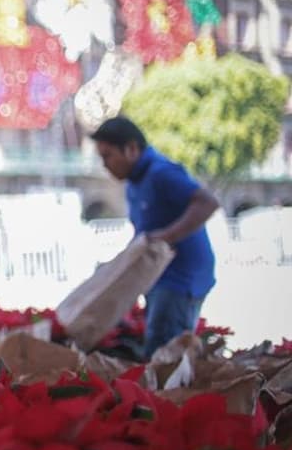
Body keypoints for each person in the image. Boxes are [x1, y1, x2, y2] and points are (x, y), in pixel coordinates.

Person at [90, 116, 220, 359]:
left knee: (163, 357)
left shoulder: (161, 173)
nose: (104, 164)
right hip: (158, 277)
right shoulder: (134, 184)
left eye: (107, 156)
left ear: (131, 149)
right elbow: (144, 234)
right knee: (158, 352)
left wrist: (166, 237)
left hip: (180, 279)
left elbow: (208, 203)